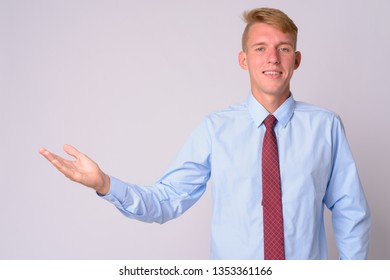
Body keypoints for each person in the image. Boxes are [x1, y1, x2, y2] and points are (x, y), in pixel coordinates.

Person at [39, 7, 370, 259]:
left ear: (296, 60)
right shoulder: (216, 129)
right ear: (243, 59)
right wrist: (106, 185)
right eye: (260, 48)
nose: (272, 57)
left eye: (283, 48)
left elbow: (350, 210)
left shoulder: (326, 126)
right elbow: (167, 200)